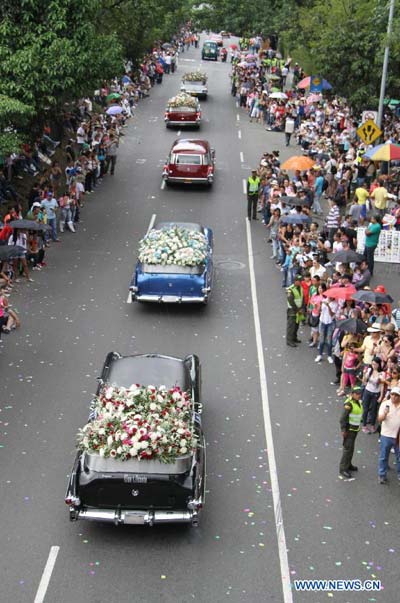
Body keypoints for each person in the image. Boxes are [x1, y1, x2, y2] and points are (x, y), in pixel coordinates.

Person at [377, 386, 400, 484]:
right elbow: (379, 419)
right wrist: (385, 414)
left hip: (398, 437)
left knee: (399, 457)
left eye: (396, 395)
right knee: (384, 456)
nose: (394, 397)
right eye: (392, 394)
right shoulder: (385, 404)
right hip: (386, 435)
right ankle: (382, 475)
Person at [339, 385, 363, 478]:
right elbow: (342, 419)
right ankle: (343, 469)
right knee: (347, 449)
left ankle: (348, 464)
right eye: (357, 394)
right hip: (349, 430)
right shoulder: (349, 404)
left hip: (355, 429)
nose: (359, 395)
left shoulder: (358, 402)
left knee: (351, 449)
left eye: (360, 394)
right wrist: (343, 430)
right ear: (352, 394)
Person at [286, 275, 305, 347]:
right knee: (291, 326)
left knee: (297, 325)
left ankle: (294, 337)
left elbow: (302, 298)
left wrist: (303, 308)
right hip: (292, 310)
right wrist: (298, 310)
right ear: (295, 281)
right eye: (299, 281)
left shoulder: (301, 288)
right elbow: (291, 301)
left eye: (301, 281)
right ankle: (289, 340)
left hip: (299, 309)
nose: (300, 282)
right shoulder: (290, 289)